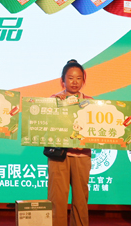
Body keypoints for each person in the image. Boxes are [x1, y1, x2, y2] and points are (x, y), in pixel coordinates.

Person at [47, 59, 92, 226]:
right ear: (63, 80)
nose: (74, 82)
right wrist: (57, 105)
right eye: (70, 78)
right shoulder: (54, 100)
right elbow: (46, 128)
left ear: (83, 80)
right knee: (57, 199)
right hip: (59, 156)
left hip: (82, 156)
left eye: (79, 78)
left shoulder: (90, 102)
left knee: (81, 200)